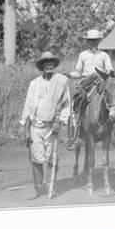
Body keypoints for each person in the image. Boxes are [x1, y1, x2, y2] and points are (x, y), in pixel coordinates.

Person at [20, 51, 71, 198]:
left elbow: (67, 105)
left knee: (52, 158)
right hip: (36, 126)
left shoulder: (61, 82)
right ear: (41, 66)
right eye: (45, 63)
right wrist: (26, 130)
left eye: (51, 62)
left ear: (54, 65)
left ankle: (50, 185)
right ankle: (37, 187)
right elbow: (28, 107)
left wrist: (60, 122)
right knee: (37, 158)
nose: (48, 65)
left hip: (52, 127)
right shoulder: (34, 84)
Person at [63, 29, 114, 150]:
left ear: (99, 41)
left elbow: (110, 70)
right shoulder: (83, 55)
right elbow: (78, 72)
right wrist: (70, 75)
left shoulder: (104, 55)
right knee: (77, 101)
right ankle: (76, 133)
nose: (93, 43)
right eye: (91, 41)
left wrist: (107, 73)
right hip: (86, 82)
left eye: (95, 40)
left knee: (113, 98)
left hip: (101, 81)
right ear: (87, 41)